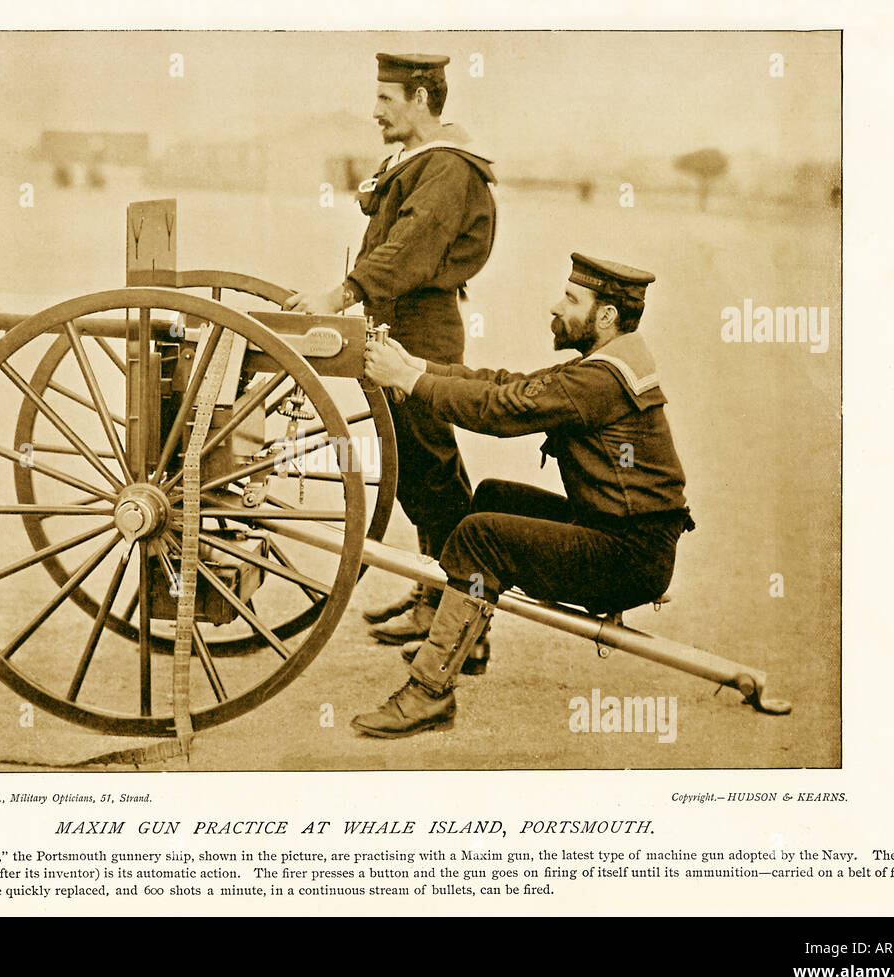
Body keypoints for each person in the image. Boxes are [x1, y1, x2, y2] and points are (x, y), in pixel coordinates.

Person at [351, 253, 694, 738]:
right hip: (621, 535)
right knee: (492, 497)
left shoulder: (598, 380)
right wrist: (419, 365)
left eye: (572, 300)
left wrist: (410, 383)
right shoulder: (607, 365)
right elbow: (509, 384)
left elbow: (501, 409)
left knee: (480, 535)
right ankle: (467, 643)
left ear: (606, 316)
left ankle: (429, 693)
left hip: (628, 559)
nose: (556, 308)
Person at [285, 52, 497, 646]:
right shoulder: (418, 162)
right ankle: (438, 588)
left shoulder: (448, 168)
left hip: (421, 330)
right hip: (398, 323)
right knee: (416, 468)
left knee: (429, 470)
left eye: (386, 99)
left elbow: (410, 245)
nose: (375, 111)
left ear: (421, 99)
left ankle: (462, 623)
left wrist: (342, 292)